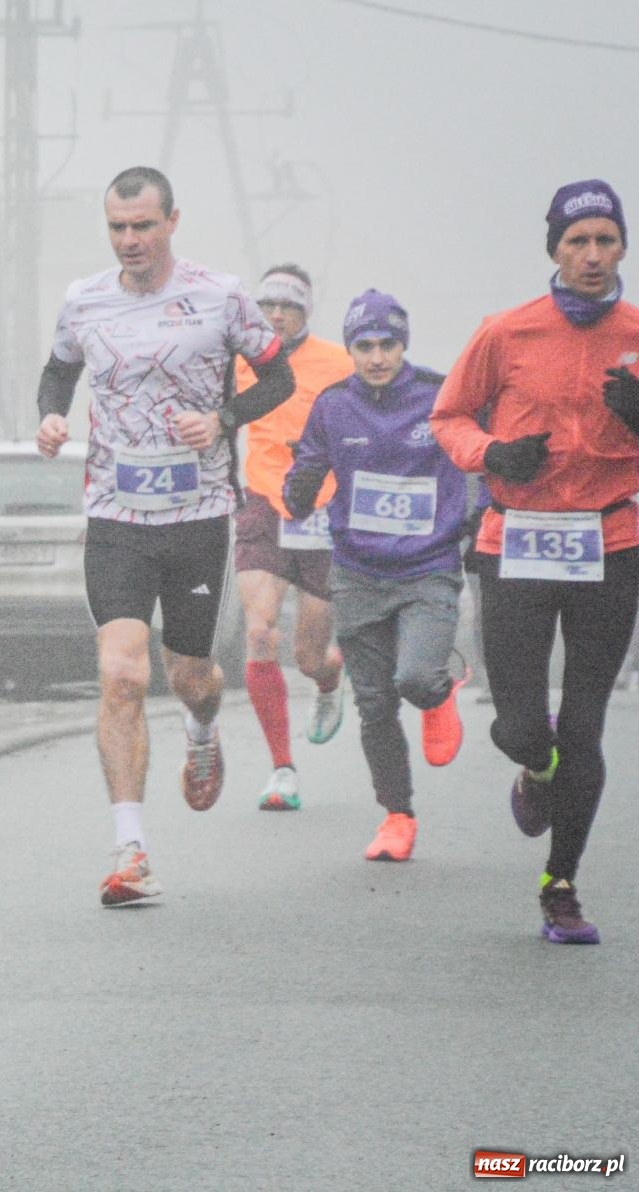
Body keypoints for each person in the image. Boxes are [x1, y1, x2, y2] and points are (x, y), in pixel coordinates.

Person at [35, 165, 295, 905]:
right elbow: (57, 375)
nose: (129, 241)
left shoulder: (220, 296)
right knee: (122, 674)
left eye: (143, 226)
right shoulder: (84, 301)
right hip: (115, 517)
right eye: (117, 228)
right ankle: (129, 849)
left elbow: (278, 381)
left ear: (172, 222)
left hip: (197, 517)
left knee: (191, 674)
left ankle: (203, 728)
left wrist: (223, 420)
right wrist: (52, 417)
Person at [431, 178, 639, 946]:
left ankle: (562, 885)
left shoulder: (637, 331)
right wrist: (493, 453)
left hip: (610, 544)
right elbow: (446, 416)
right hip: (516, 540)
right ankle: (533, 766)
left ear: (622, 247)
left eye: (606, 241)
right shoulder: (507, 332)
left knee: (584, 728)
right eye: (577, 241)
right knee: (524, 728)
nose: (592, 255)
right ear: (553, 248)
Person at [283, 291, 468, 862]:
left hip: (427, 567)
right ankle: (397, 816)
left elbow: (474, 456)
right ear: (351, 350)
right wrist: (299, 486)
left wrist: (484, 513)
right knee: (373, 701)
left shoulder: (439, 396)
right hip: (358, 571)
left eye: (387, 344)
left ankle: (439, 693)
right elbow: (308, 466)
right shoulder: (334, 405)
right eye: (364, 346)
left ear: (402, 344)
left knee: (413, 676)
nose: (377, 356)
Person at [231, 265, 352, 811]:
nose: (276, 315)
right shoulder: (240, 360)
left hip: (322, 510)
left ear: (306, 312)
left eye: (288, 306)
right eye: (267, 305)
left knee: (308, 656)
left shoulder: (339, 362)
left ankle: (329, 682)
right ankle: (282, 768)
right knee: (260, 634)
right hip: (262, 503)